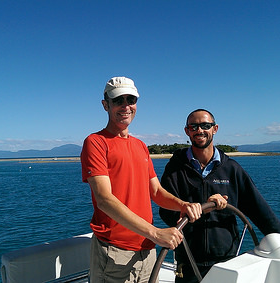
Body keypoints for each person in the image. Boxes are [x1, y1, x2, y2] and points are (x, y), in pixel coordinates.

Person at [159, 109, 280, 283]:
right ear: (187, 131)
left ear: (215, 128)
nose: (199, 130)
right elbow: (166, 213)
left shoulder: (232, 170)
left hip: (227, 261)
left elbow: (261, 212)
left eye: (205, 125)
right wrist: (200, 208)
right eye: (194, 126)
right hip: (188, 264)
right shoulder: (175, 169)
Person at [81, 77, 202, 283]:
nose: (126, 106)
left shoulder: (140, 146)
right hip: (115, 252)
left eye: (131, 99)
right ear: (105, 105)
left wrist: (183, 205)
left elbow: (155, 191)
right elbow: (104, 199)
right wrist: (156, 233)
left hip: (147, 251)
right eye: (119, 100)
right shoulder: (96, 143)